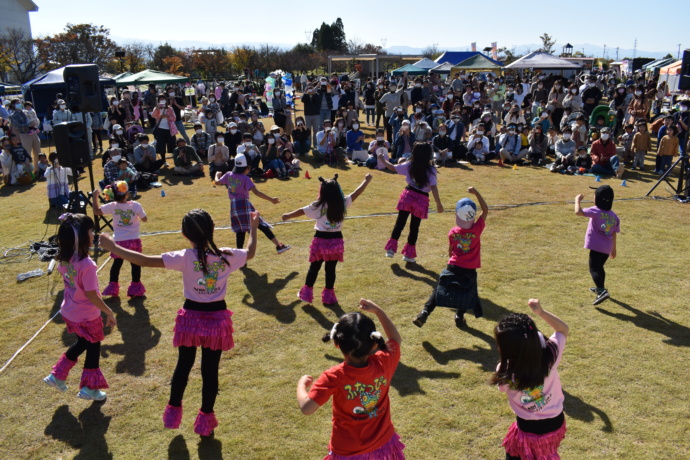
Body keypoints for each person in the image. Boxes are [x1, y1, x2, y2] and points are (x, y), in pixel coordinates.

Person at [99, 209, 257, 436]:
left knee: (183, 366)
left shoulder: (184, 256)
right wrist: (253, 227)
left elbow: (143, 260)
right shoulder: (227, 255)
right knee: (210, 372)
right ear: (212, 229)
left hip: (190, 319)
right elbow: (250, 252)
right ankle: (205, 420)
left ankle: (173, 412)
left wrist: (114, 247)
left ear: (184, 234)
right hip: (217, 321)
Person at [296, 299, 405, 459]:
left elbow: (307, 408)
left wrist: (301, 386)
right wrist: (379, 312)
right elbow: (395, 339)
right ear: (374, 344)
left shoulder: (333, 377)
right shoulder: (384, 362)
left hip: (348, 451)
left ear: (336, 343)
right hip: (383, 445)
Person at [43, 213, 117, 401]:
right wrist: (109, 312)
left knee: (83, 343)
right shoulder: (87, 265)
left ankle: (57, 375)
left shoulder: (64, 259)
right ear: (82, 237)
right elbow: (92, 295)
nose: (94, 234)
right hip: (86, 315)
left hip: (70, 312)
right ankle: (89, 388)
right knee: (93, 347)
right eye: (91, 231)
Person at [492, 299, 569, 460]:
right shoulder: (550, 356)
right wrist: (540, 312)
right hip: (555, 422)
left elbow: (503, 388)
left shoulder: (505, 371)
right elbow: (563, 329)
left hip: (528, 428)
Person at [283, 174, 372, 305]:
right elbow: (356, 193)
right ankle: (328, 297)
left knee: (314, 268)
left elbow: (302, 211)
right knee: (330, 270)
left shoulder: (318, 205)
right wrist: (366, 181)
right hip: (336, 241)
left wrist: (287, 215)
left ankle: (306, 295)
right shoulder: (342, 203)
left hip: (320, 240)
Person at [413, 187, 487, 329]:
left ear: (456, 215)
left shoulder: (453, 232)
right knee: (466, 292)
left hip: (453, 265)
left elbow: (451, 249)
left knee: (440, 289)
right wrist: (477, 193)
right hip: (470, 269)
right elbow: (485, 210)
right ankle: (459, 316)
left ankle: (424, 312)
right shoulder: (477, 229)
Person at [214, 154, 290, 255]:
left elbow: (217, 182)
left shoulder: (228, 175)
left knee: (240, 231)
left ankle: (239, 257)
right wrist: (271, 199)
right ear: (248, 168)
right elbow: (257, 192)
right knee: (261, 224)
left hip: (234, 207)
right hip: (245, 205)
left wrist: (217, 174)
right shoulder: (246, 179)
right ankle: (279, 246)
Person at [380, 143, 444, 263]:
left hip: (408, 195)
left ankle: (391, 250)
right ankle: (408, 255)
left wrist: (382, 160)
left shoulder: (410, 165)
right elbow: (434, 187)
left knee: (400, 223)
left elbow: (393, 168)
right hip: (421, 199)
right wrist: (439, 204)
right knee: (414, 227)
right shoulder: (431, 170)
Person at [94, 181, 147, 297]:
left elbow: (96, 211)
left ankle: (113, 287)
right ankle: (135, 288)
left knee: (117, 264)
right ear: (127, 193)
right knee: (135, 264)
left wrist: (94, 197)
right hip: (133, 240)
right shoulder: (136, 205)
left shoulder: (113, 206)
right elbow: (145, 219)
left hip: (118, 242)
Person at [574, 186, 620, 305]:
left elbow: (578, 212)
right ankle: (600, 287)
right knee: (600, 268)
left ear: (597, 199)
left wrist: (577, 200)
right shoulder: (614, 216)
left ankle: (601, 290)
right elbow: (614, 233)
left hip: (596, 247)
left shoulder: (595, 211)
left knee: (593, 269)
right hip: (607, 248)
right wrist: (613, 249)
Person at [152, 95, 178, 162]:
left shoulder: (170, 108)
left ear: (166, 100)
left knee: (172, 144)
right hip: (160, 129)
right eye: (160, 99)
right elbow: (153, 115)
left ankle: (175, 159)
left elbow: (174, 118)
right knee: (161, 145)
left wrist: (167, 116)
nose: (162, 100)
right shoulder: (157, 108)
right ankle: (163, 161)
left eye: (163, 98)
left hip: (170, 129)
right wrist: (157, 109)